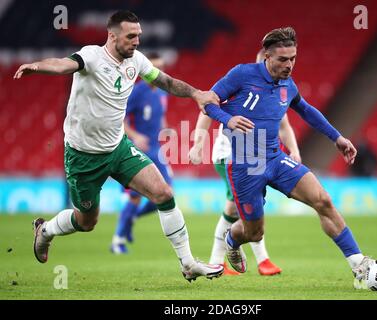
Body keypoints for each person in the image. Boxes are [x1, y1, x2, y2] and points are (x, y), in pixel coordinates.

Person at [14, 10, 224, 281]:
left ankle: (187, 263)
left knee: (163, 194)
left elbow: (166, 82)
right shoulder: (91, 56)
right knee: (86, 222)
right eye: (131, 36)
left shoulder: (136, 61)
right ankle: (46, 231)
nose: (137, 41)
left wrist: (196, 93)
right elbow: (63, 64)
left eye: (139, 35)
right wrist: (38, 66)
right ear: (112, 36)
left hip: (118, 148)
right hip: (83, 156)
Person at [203, 27, 374, 289]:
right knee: (253, 232)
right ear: (267, 57)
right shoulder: (242, 74)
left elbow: (306, 110)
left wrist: (337, 138)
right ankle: (232, 241)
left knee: (323, 200)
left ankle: (359, 265)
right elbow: (207, 102)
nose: (289, 65)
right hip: (245, 167)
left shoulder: (287, 85)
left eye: (293, 58)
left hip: (275, 158)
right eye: (283, 59)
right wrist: (228, 119)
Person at [189, 49, 301, 276]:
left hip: (256, 157)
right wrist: (197, 144)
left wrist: (294, 151)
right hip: (229, 155)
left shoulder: (278, 90)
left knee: (236, 207)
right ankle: (260, 261)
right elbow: (207, 110)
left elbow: (284, 125)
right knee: (243, 208)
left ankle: (219, 262)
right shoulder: (241, 83)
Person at [110, 52, 174, 254]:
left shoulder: (163, 92)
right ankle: (117, 241)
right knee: (136, 196)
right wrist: (135, 136)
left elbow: (159, 116)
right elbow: (119, 119)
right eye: (153, 68)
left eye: (160, 68)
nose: (157, 72)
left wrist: (166, 129)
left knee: (166, 194)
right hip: (138, 150)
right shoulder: (136, 92)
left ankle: (132, 217)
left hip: (157, 148)